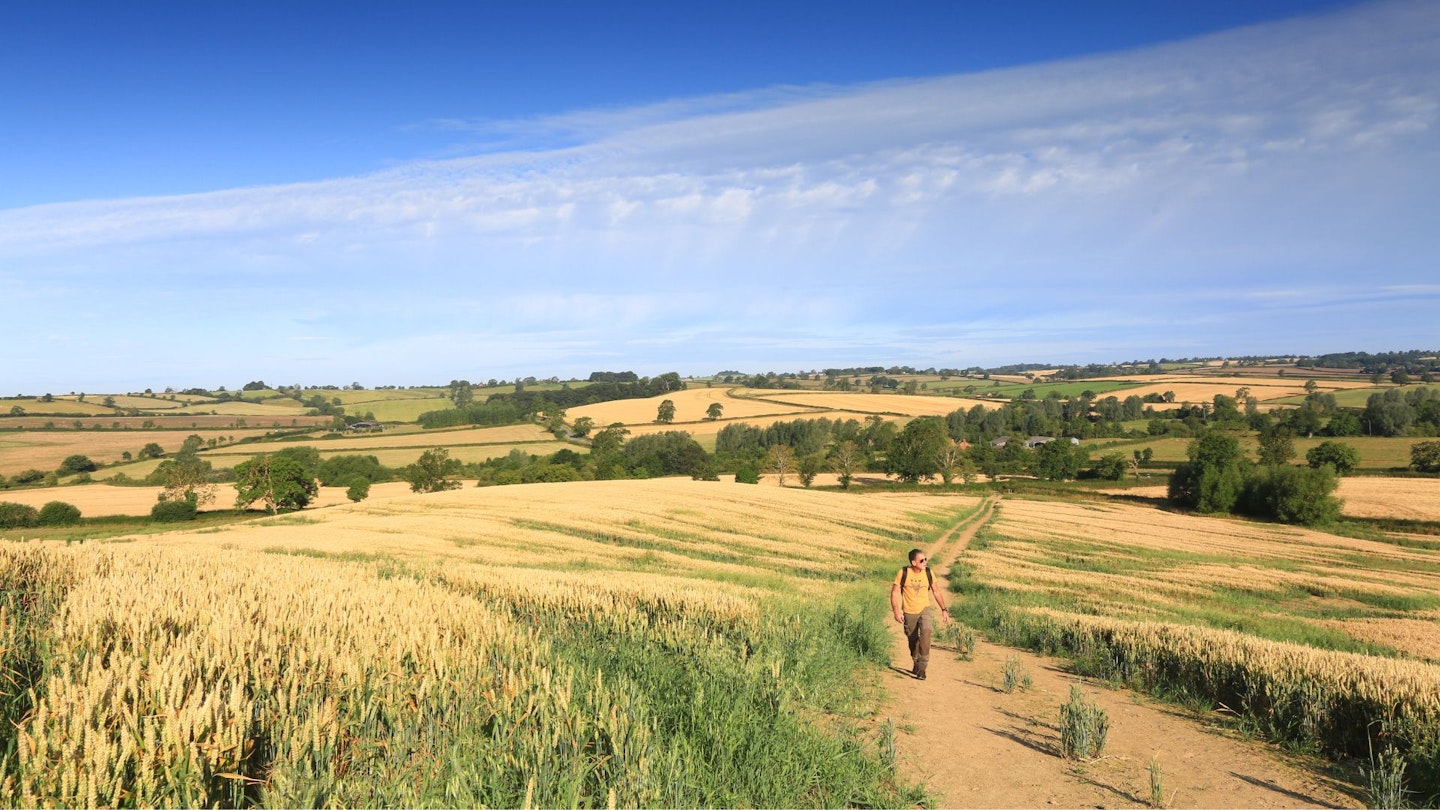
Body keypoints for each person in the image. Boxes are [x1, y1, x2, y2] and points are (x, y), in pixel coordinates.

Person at [890, 548, 950, 680]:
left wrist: (944, 610)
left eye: (926, 559)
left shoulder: (928, 572)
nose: (925, 562)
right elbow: (895, 593)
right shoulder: (903, 572)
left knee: (926, 632)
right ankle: (916, 661)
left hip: (924, 608)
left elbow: (936, 591)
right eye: (922, 560)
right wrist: (896, 610)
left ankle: (922, 668)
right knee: (913, 640)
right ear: (913, 562)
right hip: (908, 611)